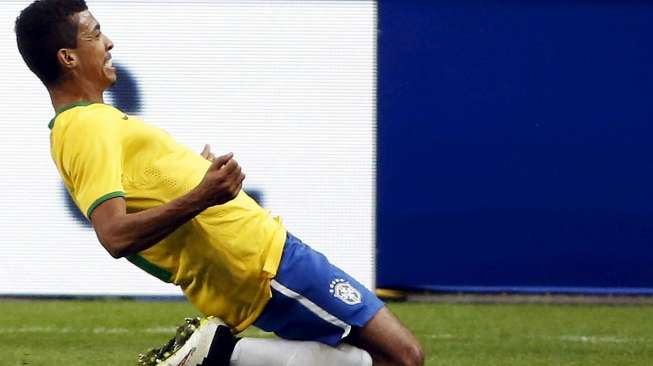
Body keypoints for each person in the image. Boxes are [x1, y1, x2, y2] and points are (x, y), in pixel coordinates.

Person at [15, 1, 424, 365]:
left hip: (262, 255)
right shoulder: (84, 126)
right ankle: (224, 355)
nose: (109, 43)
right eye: (95, 33)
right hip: (261, 263)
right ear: (68, 57)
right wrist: (202, 194)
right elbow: (115, 235)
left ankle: (219, 354)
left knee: (373, 358)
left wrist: (195, 176)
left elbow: (147, 197)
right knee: (404, 356)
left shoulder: (91, 122)